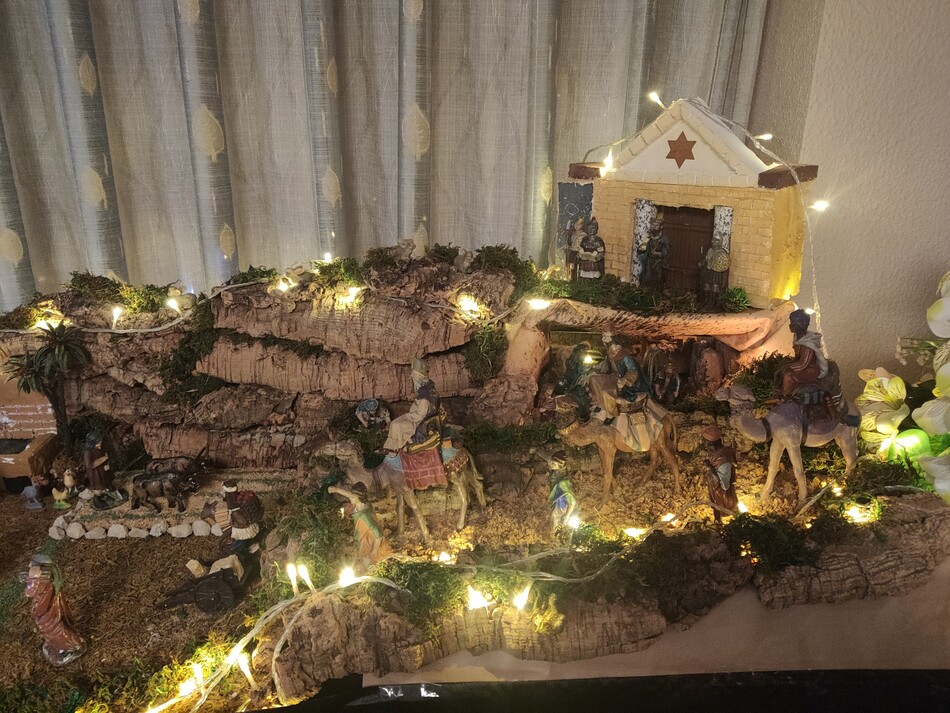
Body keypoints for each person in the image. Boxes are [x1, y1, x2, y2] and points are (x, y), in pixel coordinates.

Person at [21, 554, 86, 666]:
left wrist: (35, 612)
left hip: (49, 617)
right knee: (55, 633)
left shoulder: (45, 586)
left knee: (57, 633)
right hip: (49, 615)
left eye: (32, 565)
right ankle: (63, 646)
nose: (29, 566)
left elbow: (35, 600)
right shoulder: (46, 584)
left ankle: (69, 648)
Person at [383, 359, 441, 453]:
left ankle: (396, 448)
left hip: (420, 421)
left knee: (397, 425)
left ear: (419, 375)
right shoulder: (426, 386)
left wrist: (409, 416)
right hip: (417, 415)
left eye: (413, 373)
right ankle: (389, 447)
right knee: (394, 423)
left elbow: (421, 414)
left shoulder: (424, 392)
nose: (411, 375)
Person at [328, 484, 392, 569]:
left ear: (358, 497)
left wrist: (374, 551)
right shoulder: (362, 504)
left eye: (353, 497)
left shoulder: (364, 515)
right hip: (363, 537)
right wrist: (336, 489)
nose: (350, 498)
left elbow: (378, 535)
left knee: (367, 564)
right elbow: (350, 494)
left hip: (369, 542)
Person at [775, 309, 828, 400]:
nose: (790, 325)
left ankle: (785, 396)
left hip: (809, 370)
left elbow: (803, 364)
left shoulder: (808, 346)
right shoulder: (797, 338)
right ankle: (779, 391)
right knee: (781, 370)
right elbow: (798, 357)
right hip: (801, 366)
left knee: (788, 376)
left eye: (793, 322)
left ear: (800, 323)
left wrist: (788, 367)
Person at [702, 425, 738, 522]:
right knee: (715, 505)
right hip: (714, 488)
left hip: (721, 491)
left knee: (721, 504)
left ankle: (735, 520)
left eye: (706, 441)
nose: (704, 443)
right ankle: (717, 521)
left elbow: (723, 482)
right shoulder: (716, 454)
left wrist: (709, 467)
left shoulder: (723, 457)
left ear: (711, 442)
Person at [83, 432, 127, 511]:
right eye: (98, 441)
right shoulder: (88, 452)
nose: (100, 442)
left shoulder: (100, 447)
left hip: (103, 469)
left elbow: (105, 455)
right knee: (98, 487)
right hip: (95, 473)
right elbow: (90, 465)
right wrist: (102, 460)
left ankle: (111, 493)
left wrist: (107, 463)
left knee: (107, 482)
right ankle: (98, 499)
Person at [546, 451, 577, 536]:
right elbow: (547, 458)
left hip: (561, 505)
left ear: (560, 466)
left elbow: (572, 502)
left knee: (554, 518)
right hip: (556, 498)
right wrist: (536, 451)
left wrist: (567, 515)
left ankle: (553, 536)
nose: (551, 464)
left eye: (553, 464)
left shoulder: (563, 484)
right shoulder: (556, 471)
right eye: (552, 462)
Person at [641, 214, 671, 289]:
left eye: (656, 225)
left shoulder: (664, 239)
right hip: (648, 262)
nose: (654, 227)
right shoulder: (647, 238)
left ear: (661, 227)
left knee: (658, 280)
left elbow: (667, 252)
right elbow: (641, 250)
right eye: (652, 225)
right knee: (646, 278)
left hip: (658, 263)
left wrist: (658, 254)